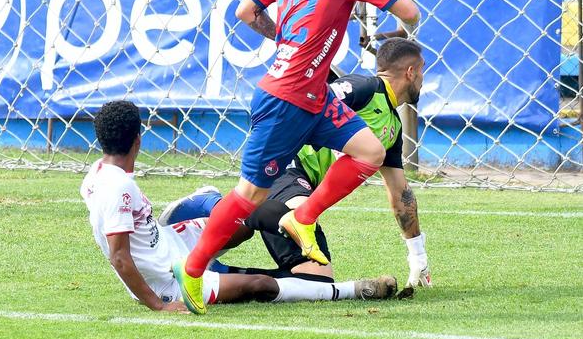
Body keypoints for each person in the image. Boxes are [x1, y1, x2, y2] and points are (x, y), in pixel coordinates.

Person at [174, 0, 420, 314]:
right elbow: (411, 14)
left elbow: (245, 12)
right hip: (286, 99)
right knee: (250, 194)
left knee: (370, 151)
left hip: (315, 95)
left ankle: (302, 216)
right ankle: (193, 269)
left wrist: (284, 39)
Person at [161, 38, 432, 290]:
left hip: (302, 187)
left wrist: (418, 256)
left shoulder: (393, 128)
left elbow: (400, 193)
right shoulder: (363, 88)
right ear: (410, 72)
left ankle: (212, 271)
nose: (422, 78)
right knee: (294, 214)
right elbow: (308, 105)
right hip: (288, 166)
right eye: (421, 71)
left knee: (317, 278)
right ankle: (209, 209)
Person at [81, 100, 397, 313]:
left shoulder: (98, 174)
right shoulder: (118, 187)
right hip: (167, 280)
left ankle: (294, 222)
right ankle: (353, 289)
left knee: (240, 216)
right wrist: (158, 304)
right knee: (257, 285)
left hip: (173, 243)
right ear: (139, 138)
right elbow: (119, 256)